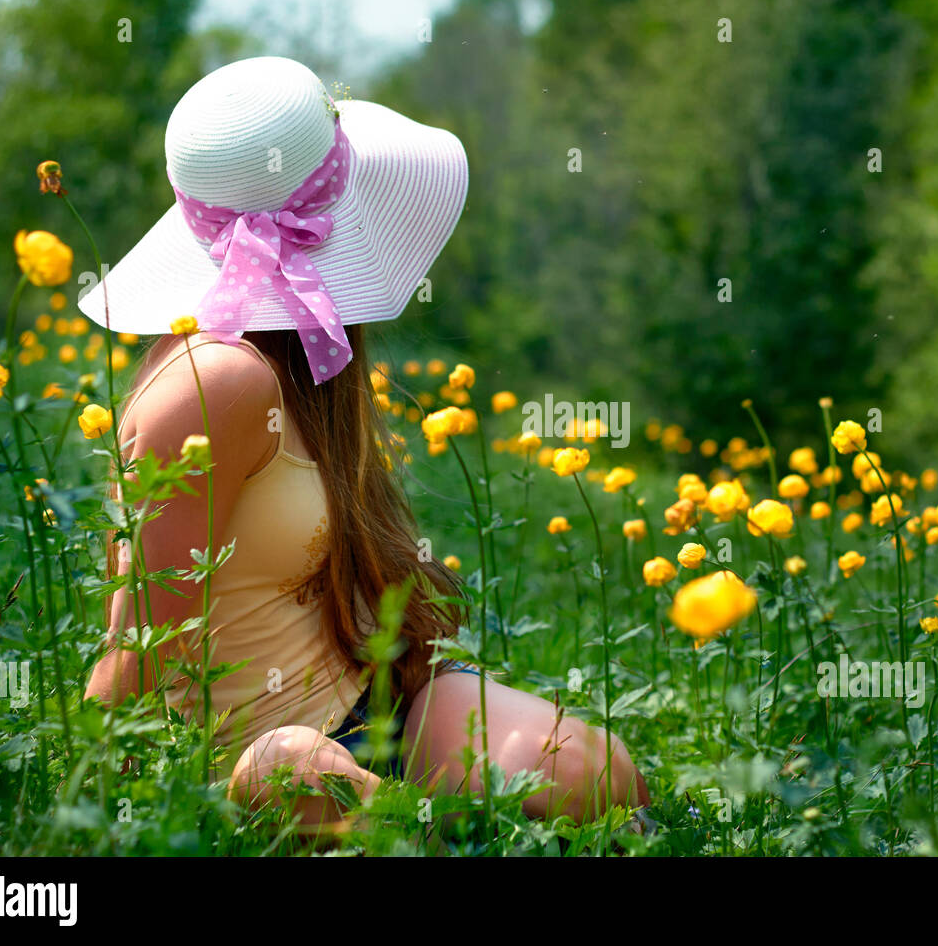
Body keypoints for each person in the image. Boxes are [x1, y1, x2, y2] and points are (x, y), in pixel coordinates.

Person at [79, 56, 650, 833]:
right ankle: (419, 833)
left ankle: (411, 825)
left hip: (372, 706)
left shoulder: (304, 370)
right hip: (251, 756)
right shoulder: (214, 381)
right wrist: (81, 811)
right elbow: (141, 643)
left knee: (596, 776)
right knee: (298, 772)